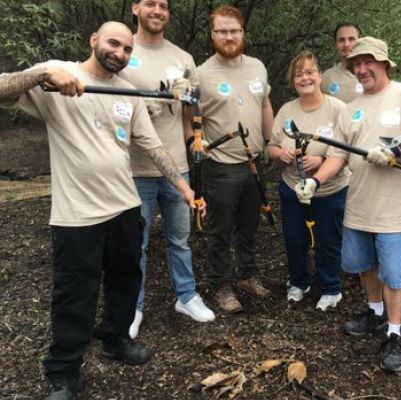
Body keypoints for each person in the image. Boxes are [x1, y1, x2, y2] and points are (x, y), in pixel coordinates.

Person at [0, 22, 201, 400]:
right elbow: (2, 88)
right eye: (113, 44)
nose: (120, 53)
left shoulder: (127, 92)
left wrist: (184, 187)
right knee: (75, 293)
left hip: (125, 206)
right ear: (94, 40)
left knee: (126, 280)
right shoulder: (57, 74)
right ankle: (64, 371)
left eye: (127, 49)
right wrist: (42, 75)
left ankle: (116, 339)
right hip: (77, 215)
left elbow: (153, 146)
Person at [295, 37, 401, 372]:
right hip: (358, 205)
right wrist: (315, 182)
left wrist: (396, 150)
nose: (362, 69)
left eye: (368, 61)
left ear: (385, 63)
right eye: (356, 64)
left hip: (394, 209)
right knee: (364, 264)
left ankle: (395, 334)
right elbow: (337, 156)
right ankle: (375, 312)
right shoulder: (351, 108)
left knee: (394, 275)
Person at [120, 0, 215, 340]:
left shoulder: (182, 58)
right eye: (150, 3)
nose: (157, 10)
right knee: (137, 243)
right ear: (136, 8)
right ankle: (133, 305)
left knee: (180, 239)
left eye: (163, 5)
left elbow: (192, 111)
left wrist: (193, 138)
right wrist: (148, 103)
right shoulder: (123, 51)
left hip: (177, 167)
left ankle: (186, 296)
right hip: (134, 168)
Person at [193, 5, 274, 313]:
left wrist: (270, 140)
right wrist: (195, 143)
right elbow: (191, 116)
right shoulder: (201, 74)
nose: (229, 36)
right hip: (220, 165)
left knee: (249, 226)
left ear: (243, 33)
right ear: (212, 35)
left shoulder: (257, 66)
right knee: (220, 231)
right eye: (222, 31)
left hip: (253, 163)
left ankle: (248, 274)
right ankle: (221, 284)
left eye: (234, 31)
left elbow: (264, 104)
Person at [267, 51, 349, 311]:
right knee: (295, 238)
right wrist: (280, 153)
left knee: (328, 240)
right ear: (293, 80)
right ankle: (299, 282)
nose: (305, 78)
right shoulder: (287, 110)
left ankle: (331, 287)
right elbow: (271, 146)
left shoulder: (337, 109)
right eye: (299, 74)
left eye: (310, 72)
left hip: (329, 190)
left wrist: (321, 160)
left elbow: (347, 150)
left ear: (320, 76)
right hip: (293, 186)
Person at [321, 22, 363, 103]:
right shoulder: (327, 77)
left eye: (351, 39)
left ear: (360, 42)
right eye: (341, 40)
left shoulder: (369, 73)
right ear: (336, 44)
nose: (346, 44)